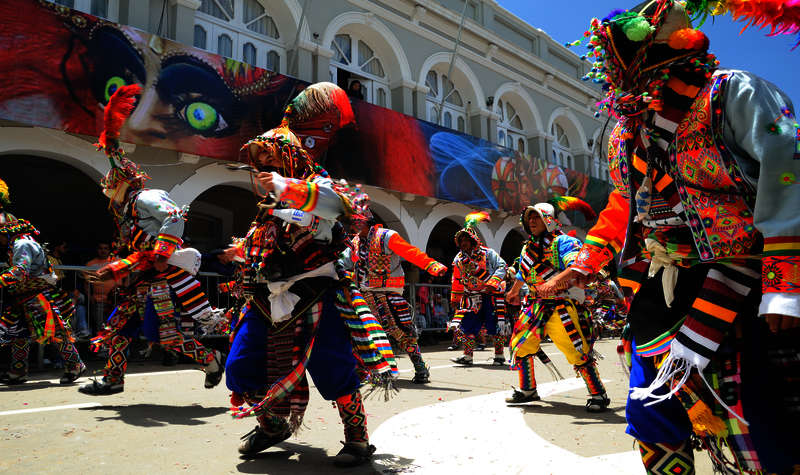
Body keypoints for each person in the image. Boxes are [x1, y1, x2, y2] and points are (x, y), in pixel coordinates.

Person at [548, 1, 800, 471]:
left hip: (746, 280)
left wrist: (785, 284)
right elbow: (626, 204)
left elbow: (788, 169)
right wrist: (585, 263)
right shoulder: (626, 133)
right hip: (659, 289)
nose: (616, 77)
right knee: (650, 414)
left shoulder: (734, 93)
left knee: (755, 418)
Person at [225, 82, 397, 467]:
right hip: (266, 298)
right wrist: (241, 253)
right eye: (261, 167)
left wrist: (286, 187)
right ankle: (272, 426)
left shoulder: (321, 185)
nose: (264, 172)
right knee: (241, 366)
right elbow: (261, 248)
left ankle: (357, 438)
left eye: (272, 163)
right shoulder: (265, 215)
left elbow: (340, 207)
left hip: (317, 294)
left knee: (333, 367)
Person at [79, 84, 224, 396]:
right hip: (139, 278)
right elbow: (136, 250)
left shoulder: (146, 196)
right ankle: (113, 380)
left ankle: (211, 359)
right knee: (118, 330)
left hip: (161, 277)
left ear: (122, 183)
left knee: (167, 336)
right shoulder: (128, 212)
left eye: (111, 185)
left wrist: (161, 252)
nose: (109, 193)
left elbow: (175, 215)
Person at [505, 199, 609, 412]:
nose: (532, 221)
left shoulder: (564, 242)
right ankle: (528, 390)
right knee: (521, 344)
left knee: (575, 350)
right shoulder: (528, 247)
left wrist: (553, 284)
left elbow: (575, 267)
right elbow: (521, 273)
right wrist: (515, 291)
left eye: (537, 217)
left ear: (549, 220)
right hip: (534, 305)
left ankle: (598, 394)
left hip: (560, 305)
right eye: (529, 217)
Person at [340, 192, 447, 384]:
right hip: (364, 295)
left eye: (357, 220)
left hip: (389, 293)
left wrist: (432, 265)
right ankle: (371, 370)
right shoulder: (354, 243)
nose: (353, 224)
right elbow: (343, 262)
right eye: (352, 221)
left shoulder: (386, 236)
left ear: (366, 220)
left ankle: (420, 367)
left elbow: (410, 252)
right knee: (363, 333)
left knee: (402, 331)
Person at [0, 180, 85, 385]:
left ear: (7, 231)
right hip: (22, 298)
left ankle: (75, 365)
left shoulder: (22, 244)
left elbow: (20, 271)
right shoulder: (17, 244)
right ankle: (18, 372)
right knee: (17, 333)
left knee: (55, 332)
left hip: (38, 297)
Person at [448, 212, 507, 366]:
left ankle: (499, 356)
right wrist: (455, 298)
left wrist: (492, 283)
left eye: (466, 240)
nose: (463, 243)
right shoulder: (458, 259)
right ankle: (467, 357)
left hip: (490, 296)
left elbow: (502, 266)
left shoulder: (488, 254)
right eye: (461, 240)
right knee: (466, 325)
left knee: (494, 325)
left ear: (473, 241)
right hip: (470, 297)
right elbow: (457, 279)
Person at [84, 242, 117, 333]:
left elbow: (126, 278)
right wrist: (90, 297)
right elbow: (86, 284)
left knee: (115, 327)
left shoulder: (117, 262)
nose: (103, 250)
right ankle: (100, 347)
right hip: (98, 300)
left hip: (115, 300)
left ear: (109, 250)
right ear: (97, 250)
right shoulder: (90, 264)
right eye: (101, 248)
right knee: (100, 327)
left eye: (106, 248)